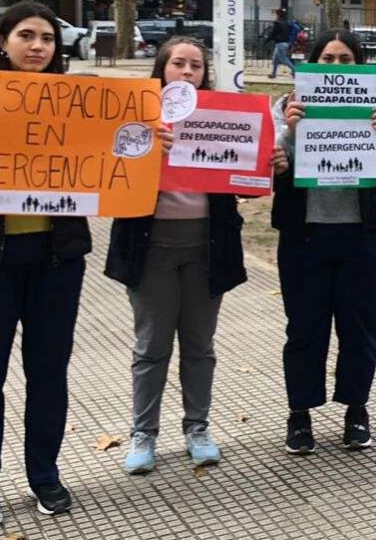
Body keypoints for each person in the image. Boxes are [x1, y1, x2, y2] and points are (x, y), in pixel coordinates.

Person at [0, 2, 169, 529]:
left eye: (47, 38)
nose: (38, 46)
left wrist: (151, 147)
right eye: (26, 35)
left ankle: (45, 476)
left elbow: (115, 161)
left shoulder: (78, 104)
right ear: (2, 42)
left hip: (56, 262)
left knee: (48, 375)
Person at [106, 37, 289, 475]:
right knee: (151, 345)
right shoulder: (135, 119)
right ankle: (143, 434)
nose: (187, 72)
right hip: (149, 247)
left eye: (196, 66)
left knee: (199, 345)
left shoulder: (225, 116)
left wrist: (270, 163)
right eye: (178, 64)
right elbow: (107, 178)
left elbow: (244, 179)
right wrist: (145, 150)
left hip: (207, 245)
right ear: (161, 70)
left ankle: (198, 429)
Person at [273, 30, 376, 454]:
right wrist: (292, 132)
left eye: (345, 59)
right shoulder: (284, 106)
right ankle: (300, 414)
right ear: (312, 64)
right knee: (304, 329)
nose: (335, 67)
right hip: (305, 234)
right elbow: (272, 161)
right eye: (327, 59)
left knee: (361, 329)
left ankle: (356, 410)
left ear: (359, 64)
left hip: (364, 235)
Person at [268, 8, 297, 79]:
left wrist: (268, 39)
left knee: (283, 59)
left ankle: (296, 71)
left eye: (276, 14)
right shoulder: (287, 22)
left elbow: (273, 33)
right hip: (286, 43)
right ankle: (273, 74)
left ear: (278, 14)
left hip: (280, 43)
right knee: (275, 59)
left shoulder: (277, 22)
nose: (275, 15)